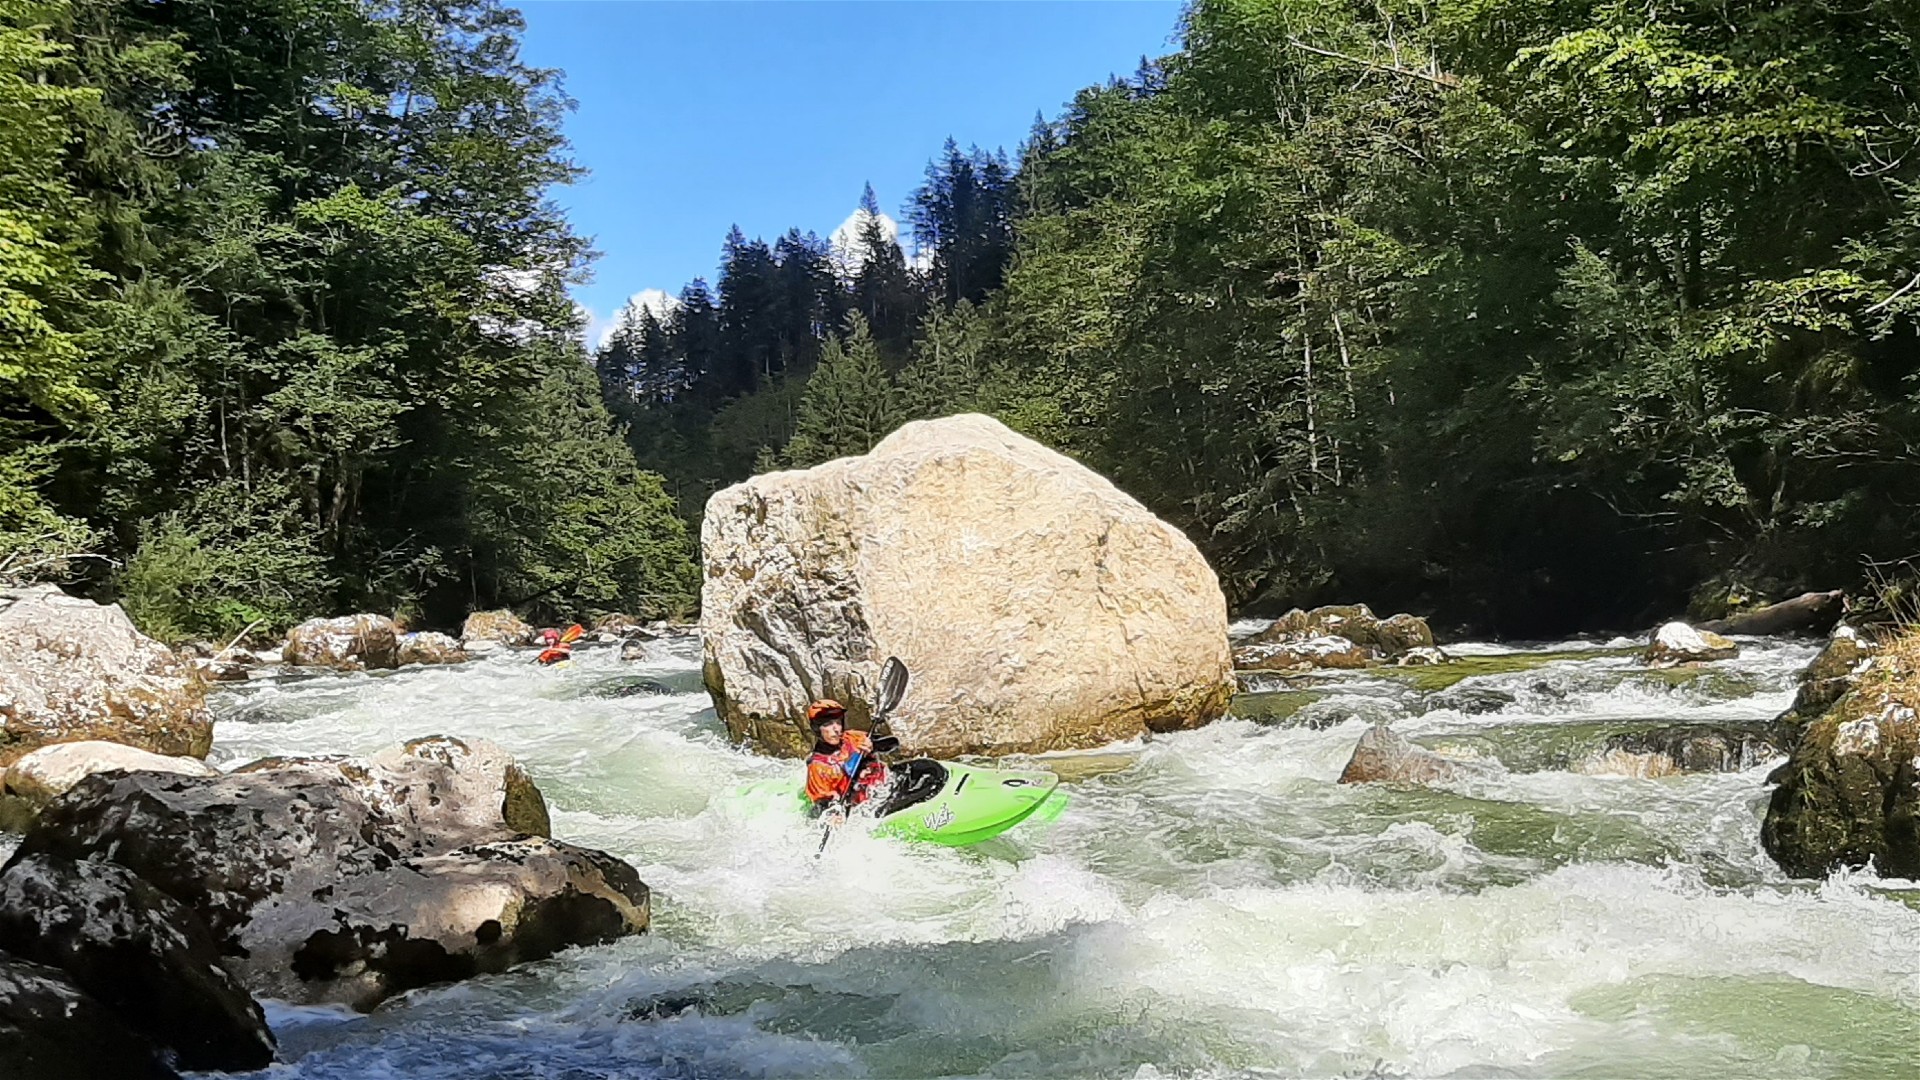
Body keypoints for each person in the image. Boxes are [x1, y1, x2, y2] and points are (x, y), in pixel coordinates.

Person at [804, 699, 888, 819]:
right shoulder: (817, 767)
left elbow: (892, 743)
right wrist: (833, 815)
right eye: (828, 724)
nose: (836, 729)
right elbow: (822, 805)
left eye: (838, 722)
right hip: (866, 808)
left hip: (884, 787)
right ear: (817, 729)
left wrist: (873, 746)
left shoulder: (852, 738)